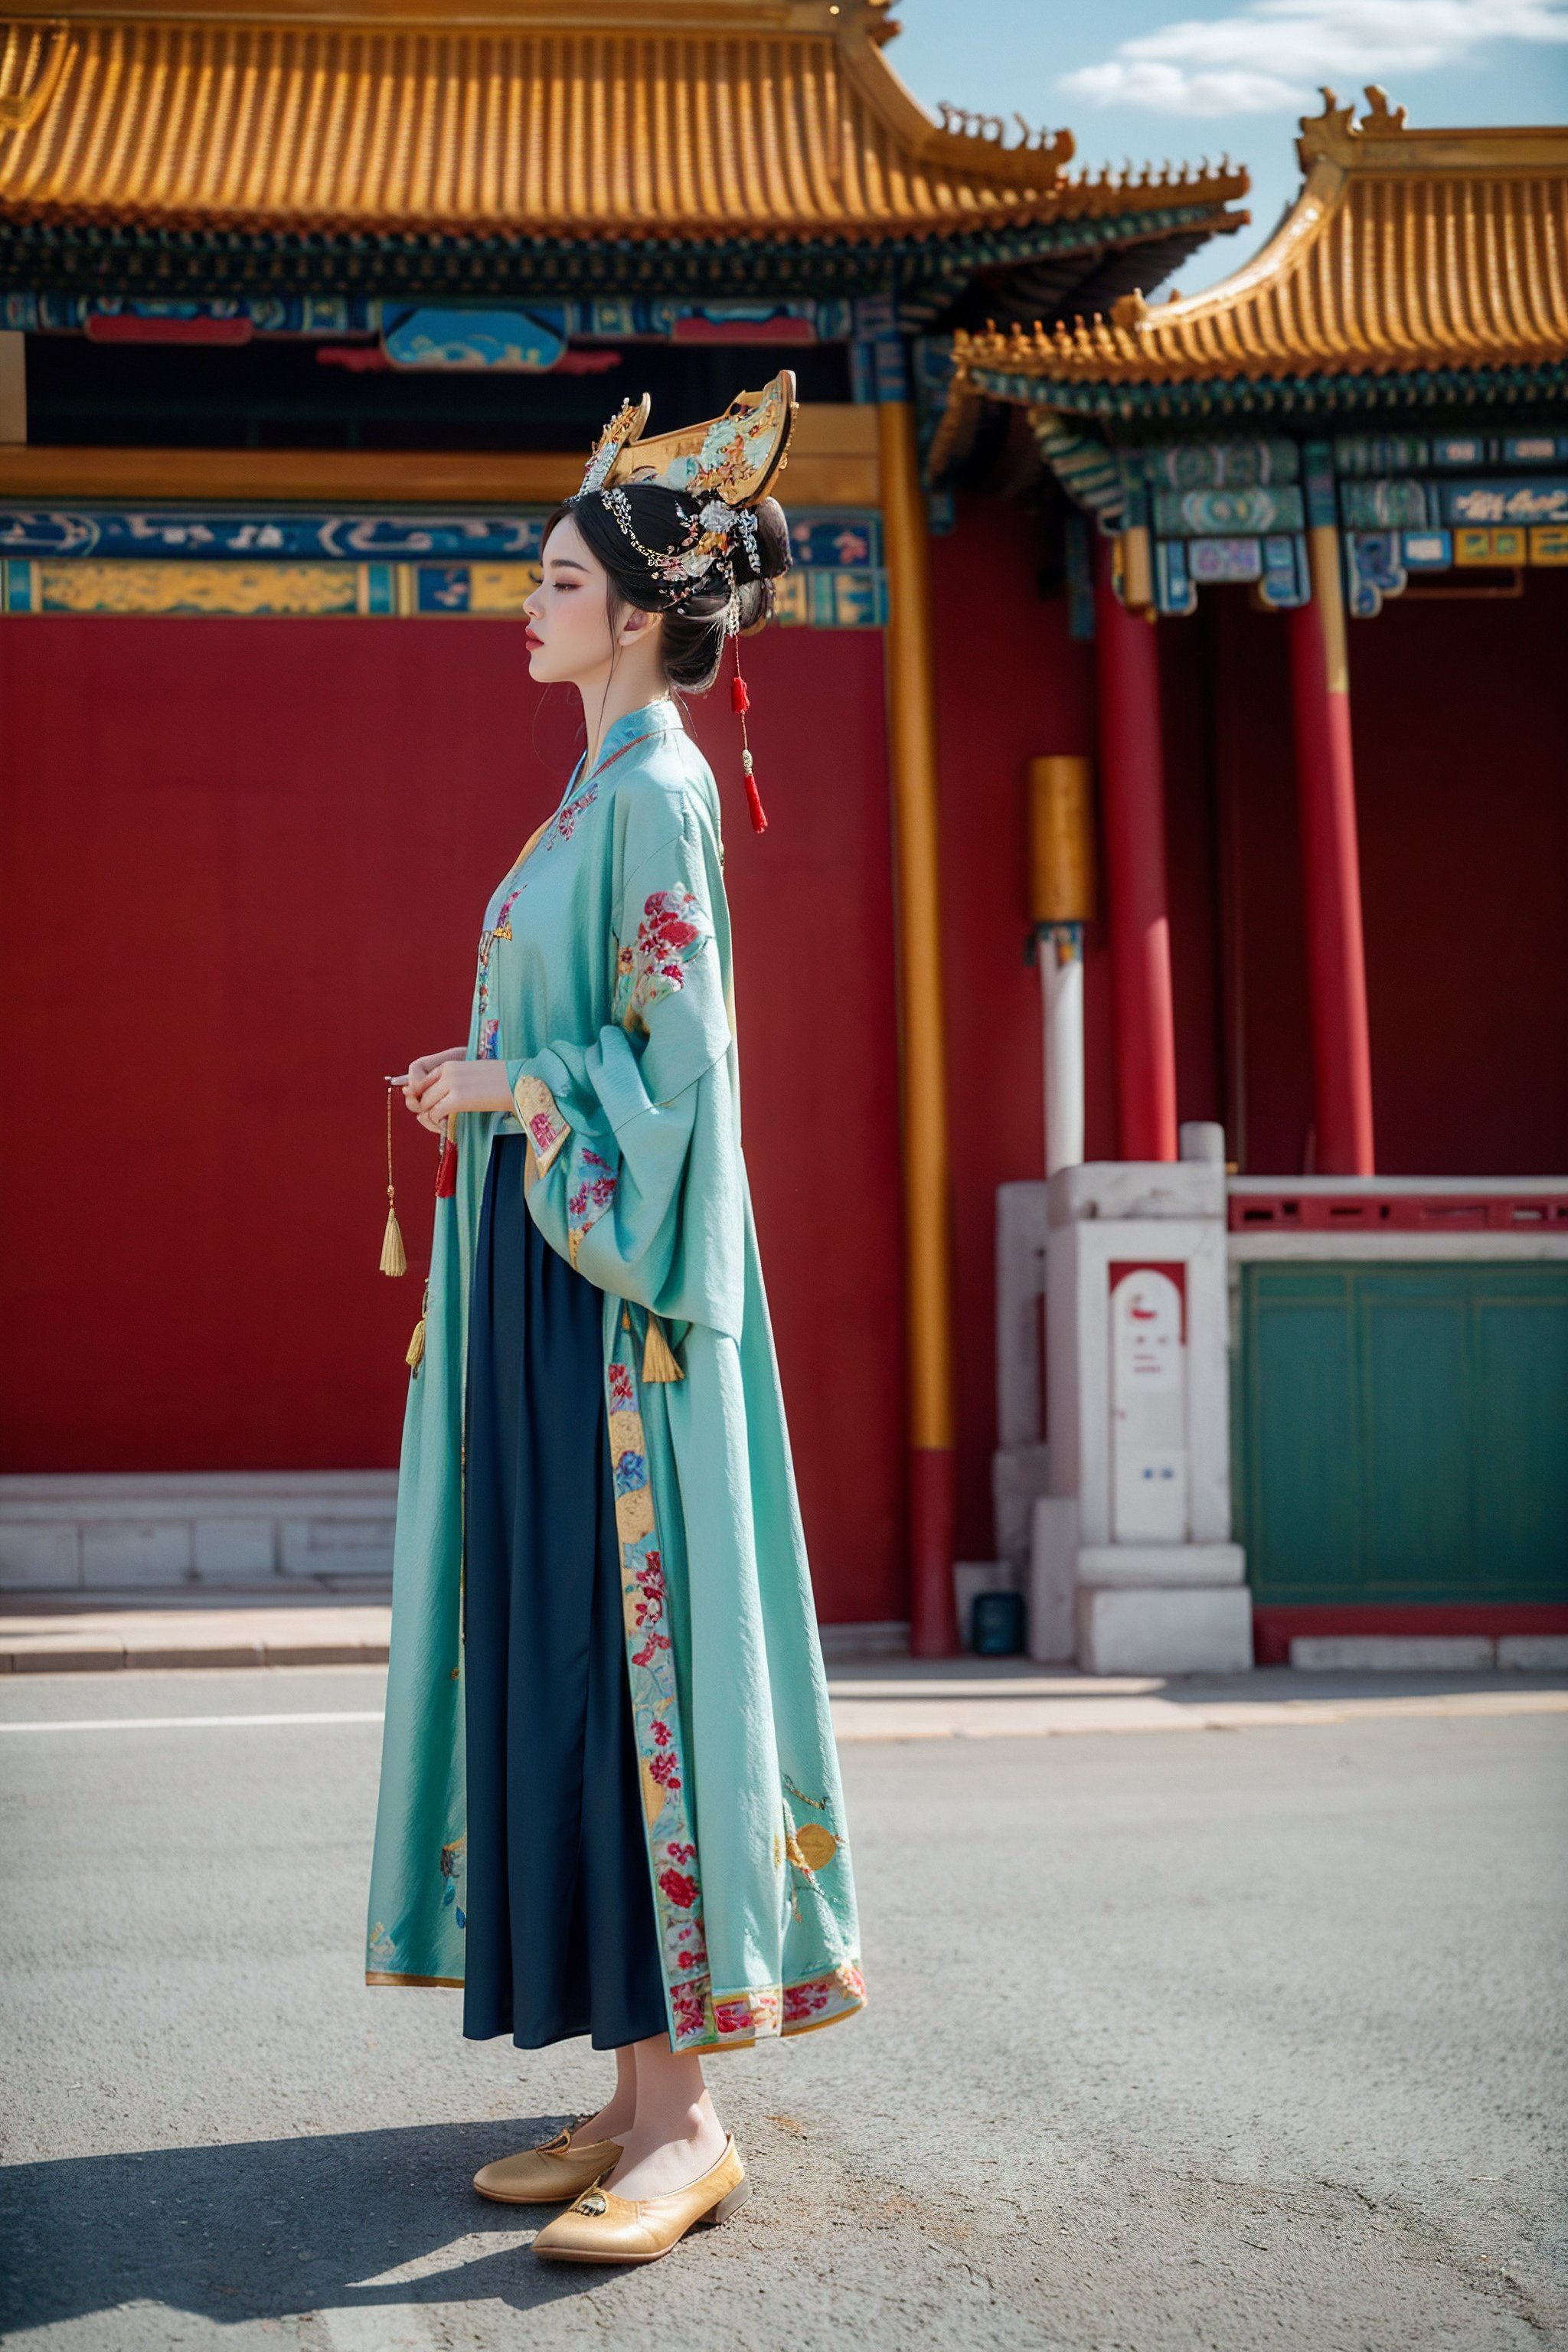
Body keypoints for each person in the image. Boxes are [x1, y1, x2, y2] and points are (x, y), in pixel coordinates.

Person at [364, 375, 865, 2268]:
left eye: (557, 573)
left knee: (639, 1680)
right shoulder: (598, 786)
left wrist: (513, 1095)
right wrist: (493, 1078)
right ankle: (634, 2088)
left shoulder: (655, 788)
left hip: (623, 1315)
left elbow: (687, 1073)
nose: (528, 594)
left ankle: (695, 2117)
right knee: (573, 1675)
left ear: (642, 610)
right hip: (556, 1289)